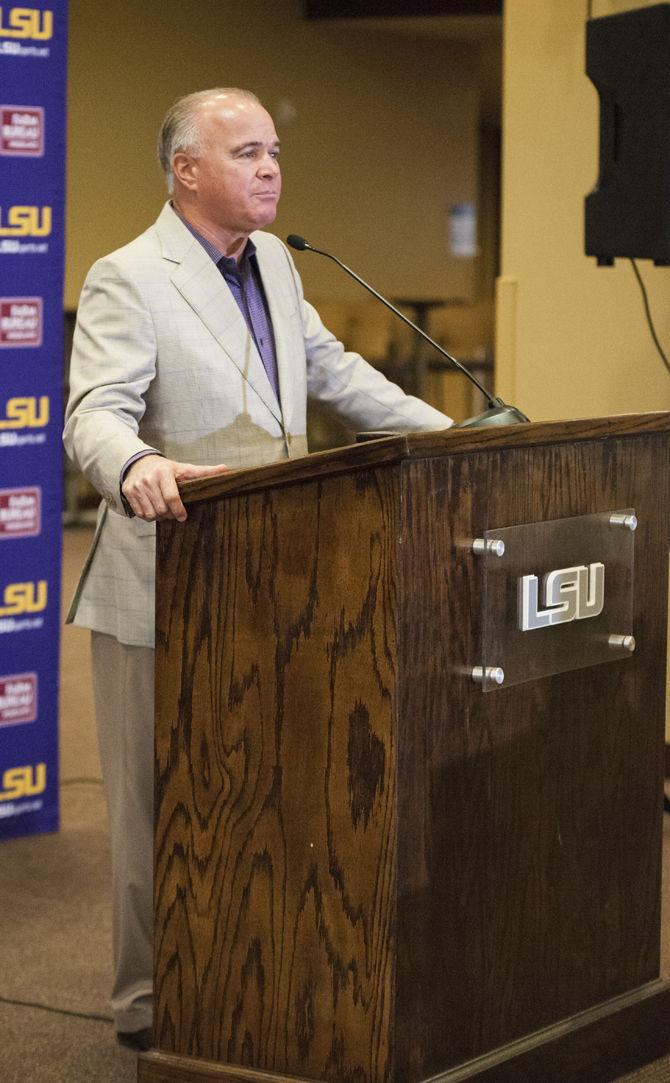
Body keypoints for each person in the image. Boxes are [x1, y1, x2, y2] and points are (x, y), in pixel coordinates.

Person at [63, 87, 452, 1051]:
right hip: (163, 580)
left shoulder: (276, 261)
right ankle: (147, 1005)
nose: (271, 167)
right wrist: (137, 464)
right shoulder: (130, 275)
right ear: (187, 169)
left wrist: (456, 435)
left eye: (274, 149)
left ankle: (245, 974)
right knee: (162, 816)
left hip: (278, 579)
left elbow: (332, 373)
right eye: (246, 152)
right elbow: (91, 414)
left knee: (260, 795)